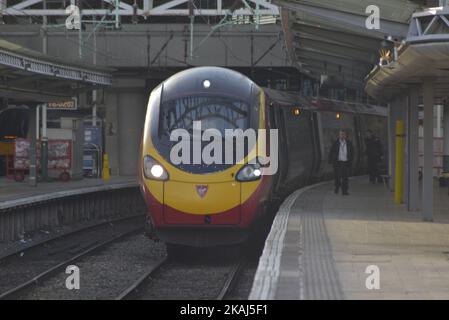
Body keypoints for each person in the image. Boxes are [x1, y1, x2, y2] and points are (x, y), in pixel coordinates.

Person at [328, 130, 354, 195]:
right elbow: (331, 152)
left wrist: (350, 161)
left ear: (345, 135)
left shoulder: (349, 143)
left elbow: (352, 152)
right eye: (341, 134)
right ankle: (337, 187)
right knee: (337, 176)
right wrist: (330, 160)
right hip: (337, 162)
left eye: (343, 134)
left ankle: (344, 191)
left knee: (345, 177)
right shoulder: (335, 143)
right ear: (339, 135)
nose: (342, 135)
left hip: (345, 162)